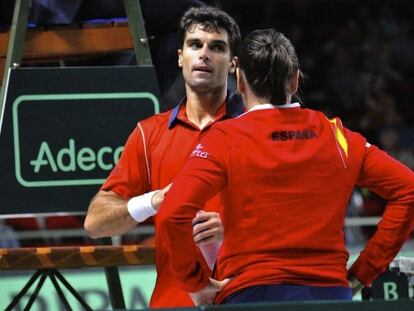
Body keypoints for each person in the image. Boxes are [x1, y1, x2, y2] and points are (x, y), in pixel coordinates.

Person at [157, 28, 414, 305]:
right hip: (331, 295)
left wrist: (195, 283)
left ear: (240, 82)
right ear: (294, 80)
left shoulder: (224, 138)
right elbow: (408, 190)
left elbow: (172, 212)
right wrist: (363, 273)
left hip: (252, 294)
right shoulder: (338, 137)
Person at [84, 6, 242, 308]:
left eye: (217, 47)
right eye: (195, 45)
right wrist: (153, 201)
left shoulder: (256, 128)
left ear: (233, 64)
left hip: (247, 298)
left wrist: (235, 229)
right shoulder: (149, 133)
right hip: (172, 301)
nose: (204, 54)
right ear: (180, 56)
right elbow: (95, 222)